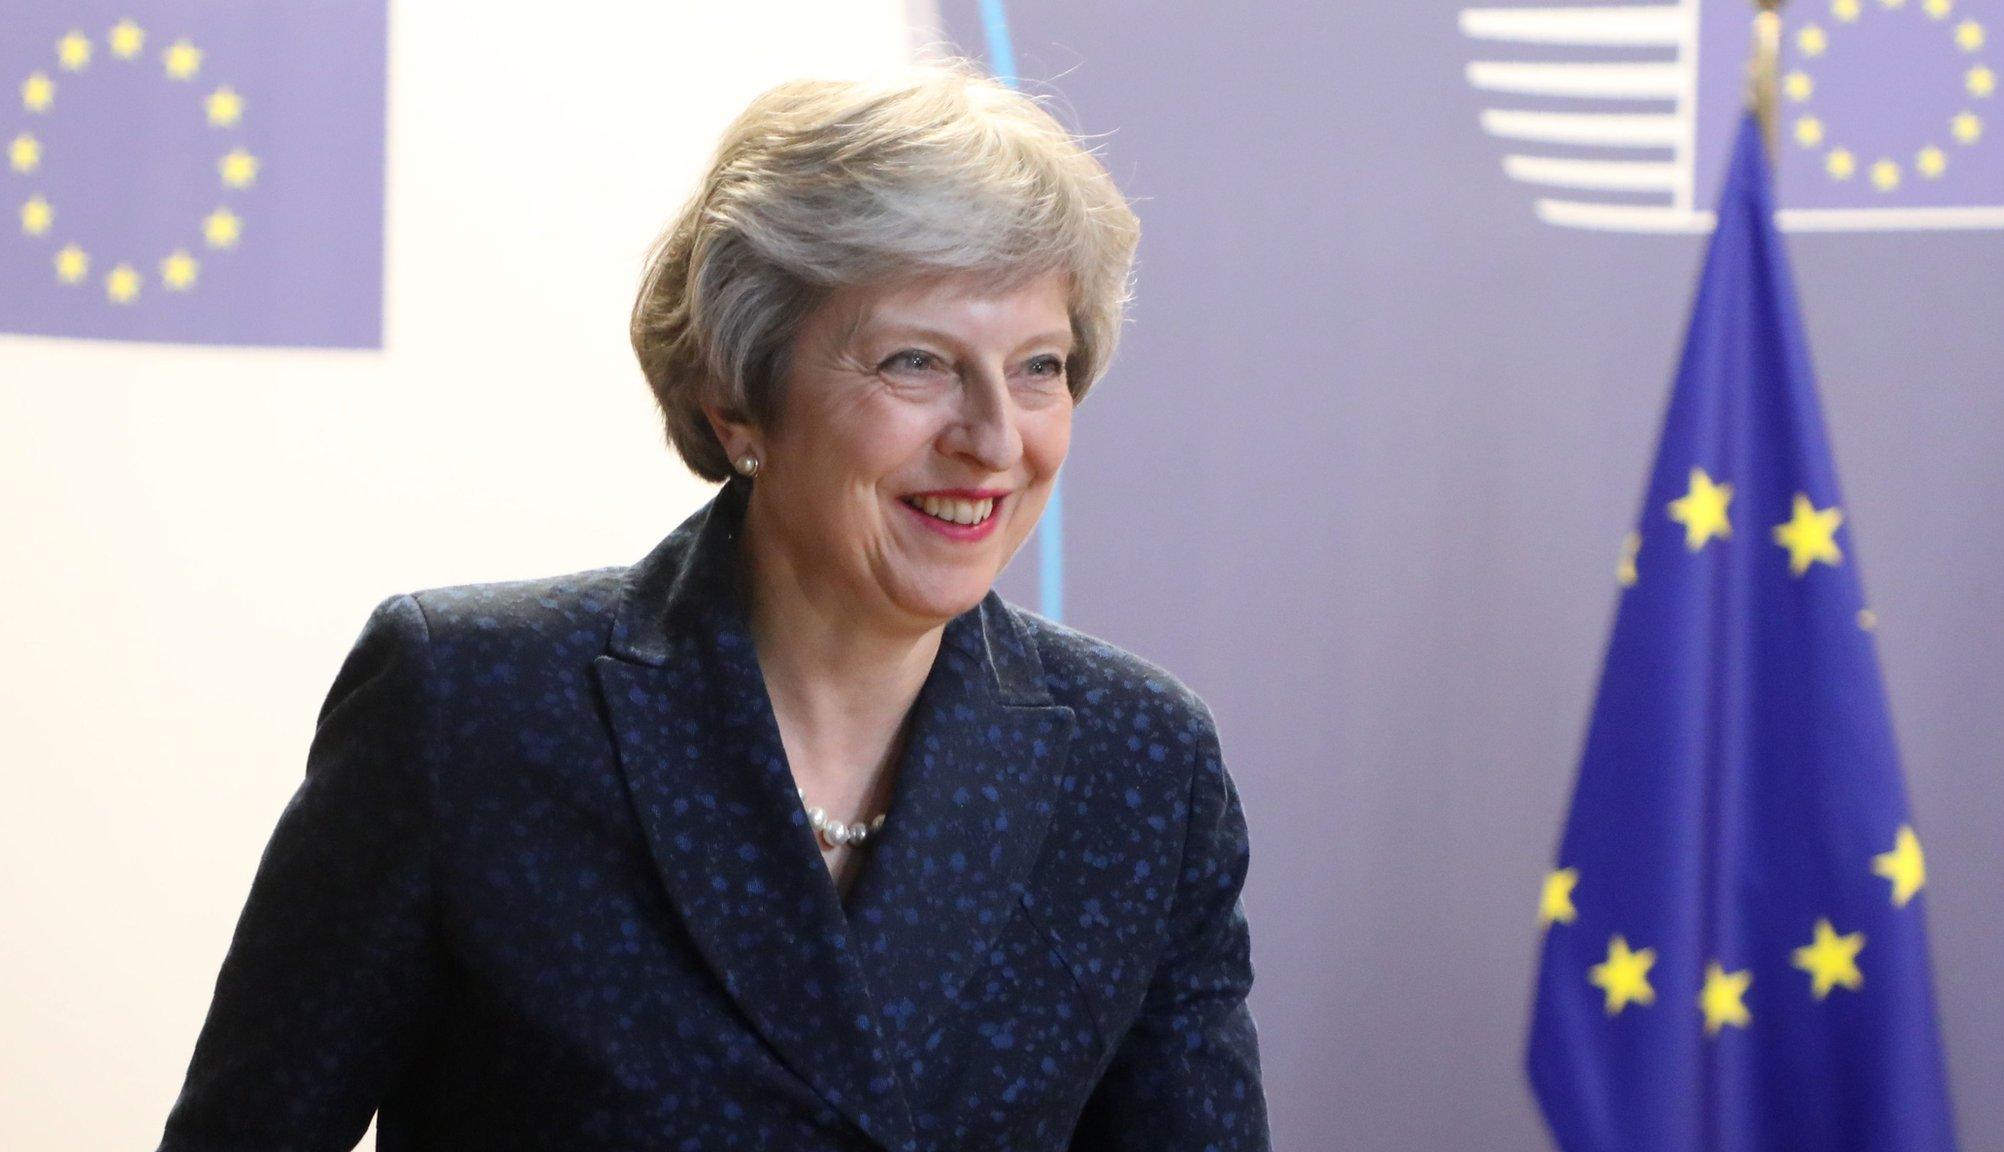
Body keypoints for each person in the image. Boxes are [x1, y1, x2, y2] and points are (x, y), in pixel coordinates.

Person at [156, 61, 1269, 1151]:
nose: (992, 439)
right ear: (739, 397)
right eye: (917, 362)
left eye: (1037, 368)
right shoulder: (470, 708)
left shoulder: (1142, 766)